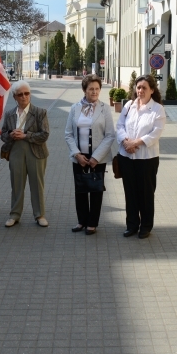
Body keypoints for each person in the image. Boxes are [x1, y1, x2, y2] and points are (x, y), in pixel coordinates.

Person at [116, 74, 166, 239]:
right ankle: (131, 225)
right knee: (130, 193)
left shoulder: (158, 109)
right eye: (138, 87)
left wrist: (135, 143)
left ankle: (145, 226)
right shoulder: (129, 105)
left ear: (152, 90)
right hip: (127, 157)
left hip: (147, 159)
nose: (140, 90)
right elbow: (120, 125)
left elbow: (155, 133)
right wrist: (125, 141)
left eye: (144, 87)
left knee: (145, 193)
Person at [64, 75, 115, 235]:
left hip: (97, 157)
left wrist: (96, 157)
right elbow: (68, 134)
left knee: (95, 190)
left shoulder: (104, 108)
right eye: (91, 89)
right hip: (79, 157)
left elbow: (110, 135)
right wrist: (76, 153)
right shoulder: (74, 108)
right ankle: (82, 221)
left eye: (97, 89)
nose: (94, 92)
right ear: (84, 90)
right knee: (80, 189)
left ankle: (92, 223)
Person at [1, 81, 50, 229]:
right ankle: (14, 214)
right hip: (16, 151)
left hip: (35, 152)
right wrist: (11, 134)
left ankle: (39, 215)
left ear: (30, 94)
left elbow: (45, 134)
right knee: (16, 184)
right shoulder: (9, 114)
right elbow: (3, 134)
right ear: (15, 97)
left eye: (26, 93)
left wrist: (25, 135)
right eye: (20, 94)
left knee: (37, 184)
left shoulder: (40, 112)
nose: (24, 97)